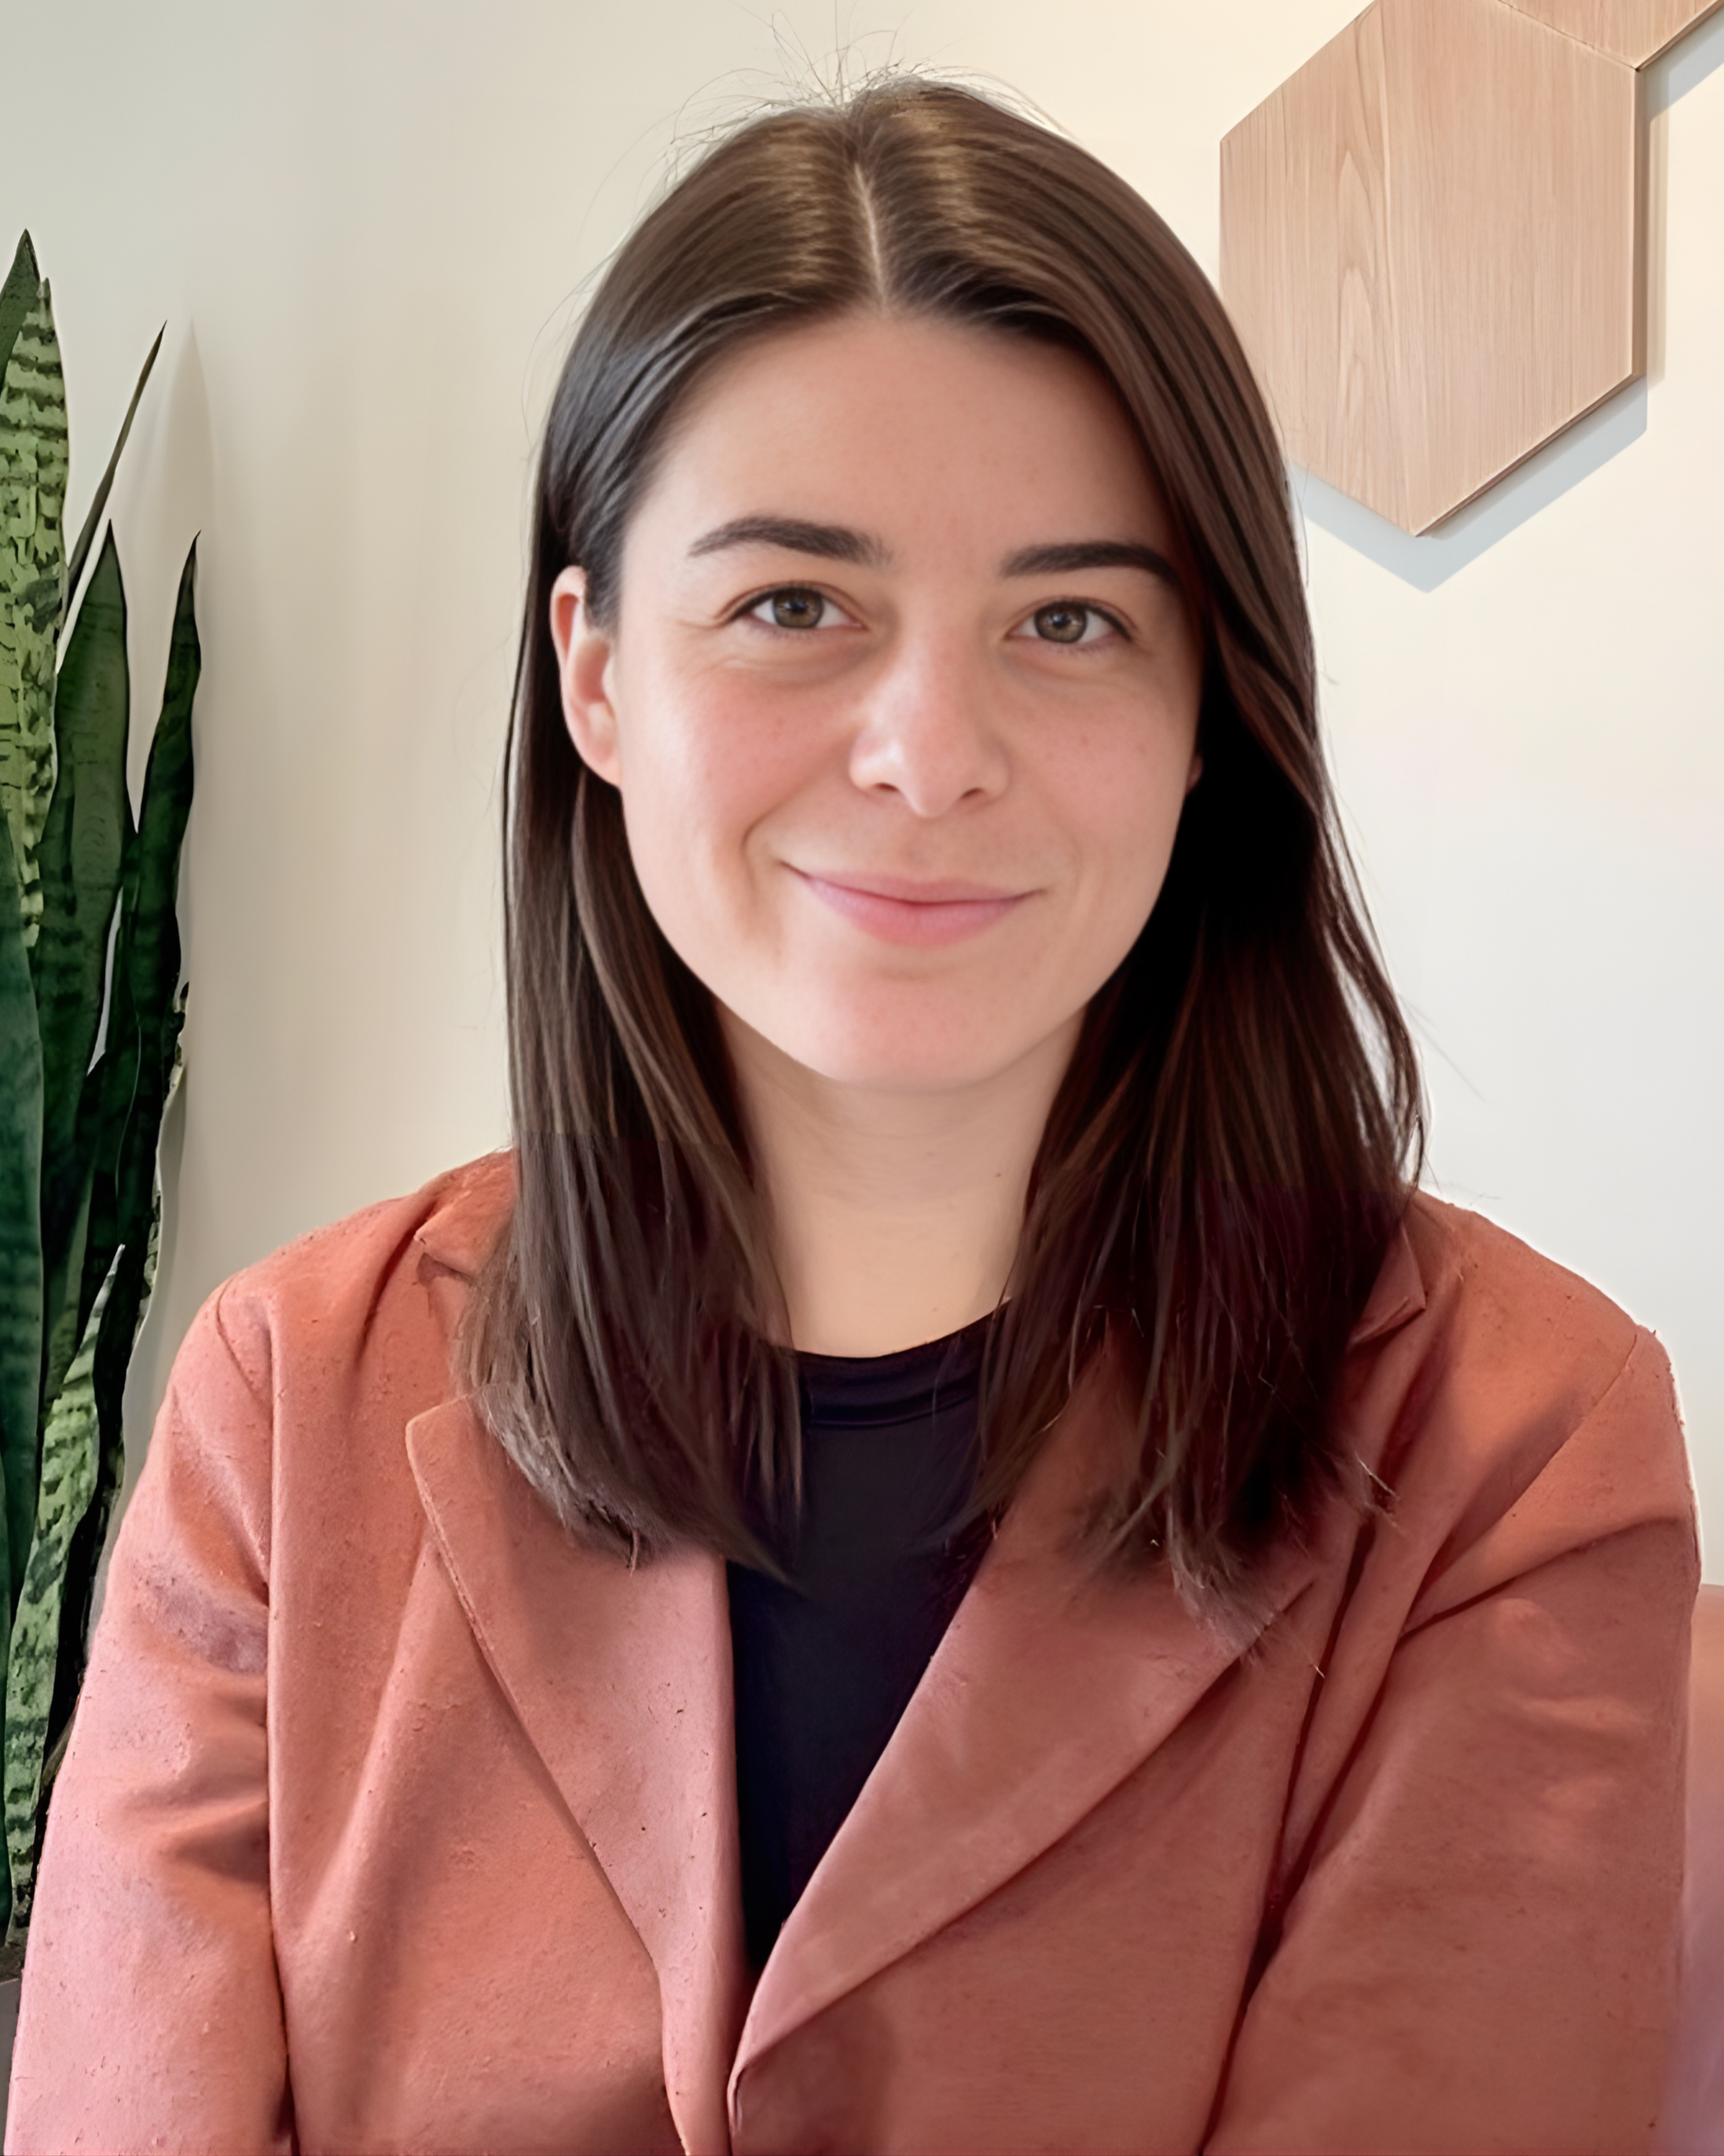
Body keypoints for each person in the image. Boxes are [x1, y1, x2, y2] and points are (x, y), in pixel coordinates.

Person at [6, 75, 1697, 2156]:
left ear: (1206, 722)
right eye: (795, 603)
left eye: (1069, 620)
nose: (927, 750)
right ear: (597, 675)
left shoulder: (1513, 1443)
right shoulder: (286, 1401)